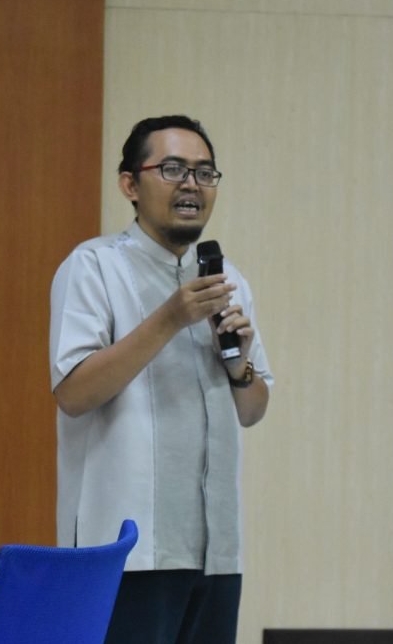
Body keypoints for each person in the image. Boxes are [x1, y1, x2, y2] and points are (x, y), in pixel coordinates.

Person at [49, 115, 273, 644]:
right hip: (127, 551)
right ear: (130, 184)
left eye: (204, 172)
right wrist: (170, 318)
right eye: (173, 169)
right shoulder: (92, 266)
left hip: (215, 549)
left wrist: (238, 367)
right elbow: (74, 394)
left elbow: (253, 409)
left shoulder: (227, 280)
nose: (191, 184)